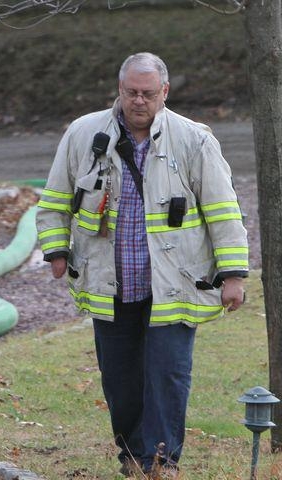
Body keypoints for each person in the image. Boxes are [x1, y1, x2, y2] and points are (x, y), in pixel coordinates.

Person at [36, 52, 248, 478]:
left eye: (148, 93)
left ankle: (162, 462)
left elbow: (224, 210)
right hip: (110, 283)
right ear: (119, 90)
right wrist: (56, 251)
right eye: (131, 92)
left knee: (167, 377)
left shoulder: (194, 140)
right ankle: (132, 457)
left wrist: (234, 275)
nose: (139, 101)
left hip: (173, 285)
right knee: (120, 381)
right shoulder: (82, 134)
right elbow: (55, 200)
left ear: (164, 93)